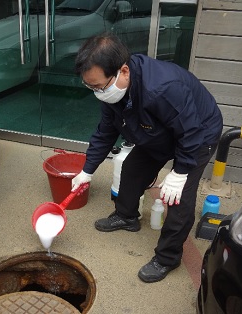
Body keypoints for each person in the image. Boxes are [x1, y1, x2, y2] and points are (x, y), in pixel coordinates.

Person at [71, 33, 223, 283]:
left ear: (124, 71)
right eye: (91, 87)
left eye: (99, 86)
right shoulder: (112, 91)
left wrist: (181, 172)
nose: (97, 92)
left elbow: (190, 131)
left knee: (177, 199)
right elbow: (105, 132)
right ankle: (127, 216)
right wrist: (87, 170)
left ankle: (167, 258)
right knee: (131, 169)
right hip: (155, 128)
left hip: (198, 132)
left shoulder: (162, 88)